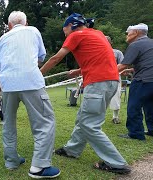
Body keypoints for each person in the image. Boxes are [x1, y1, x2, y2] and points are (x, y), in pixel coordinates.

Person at [40, 13, 130, 174]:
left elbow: (56, 58)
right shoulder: (98, 34)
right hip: (111, 81)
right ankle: (72, 150)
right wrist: (79, 71)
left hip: (97, 83)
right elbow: (100, 59)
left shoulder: (76, 35)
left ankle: (117, 163)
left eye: (65, 30)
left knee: (90, 124)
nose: (65, 33)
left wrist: (38, 75)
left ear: (71, 26)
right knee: (83, 118)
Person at [0, 11, 60, 178]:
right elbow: (41, 56)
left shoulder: (2, 38)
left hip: (7, 84)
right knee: (44, 122)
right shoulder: (33, 30)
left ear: (9, 25)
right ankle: (40, 166)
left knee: (8, 123)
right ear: (26, 22)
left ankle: (11, 161)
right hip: (30, 81)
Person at [117, 23, 153, 140]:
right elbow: (148, 62)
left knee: (134, 106)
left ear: (136, 33)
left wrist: (102, 72)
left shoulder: (135, 45)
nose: (127, 35)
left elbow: (122, 65)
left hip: (143, 80)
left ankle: (136, 134)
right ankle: (152, 130)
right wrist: (132, 69)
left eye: (128, 33)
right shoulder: (151, 43)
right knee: (150, 106)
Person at [106, 36, 124, 124]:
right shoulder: (98, 53)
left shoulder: (117, 52)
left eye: (107, 41)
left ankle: (115, 117)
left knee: (116, 96)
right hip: (101, 77)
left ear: (111, 42)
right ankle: (98, 117)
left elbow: (123, 64)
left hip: (115, 76)